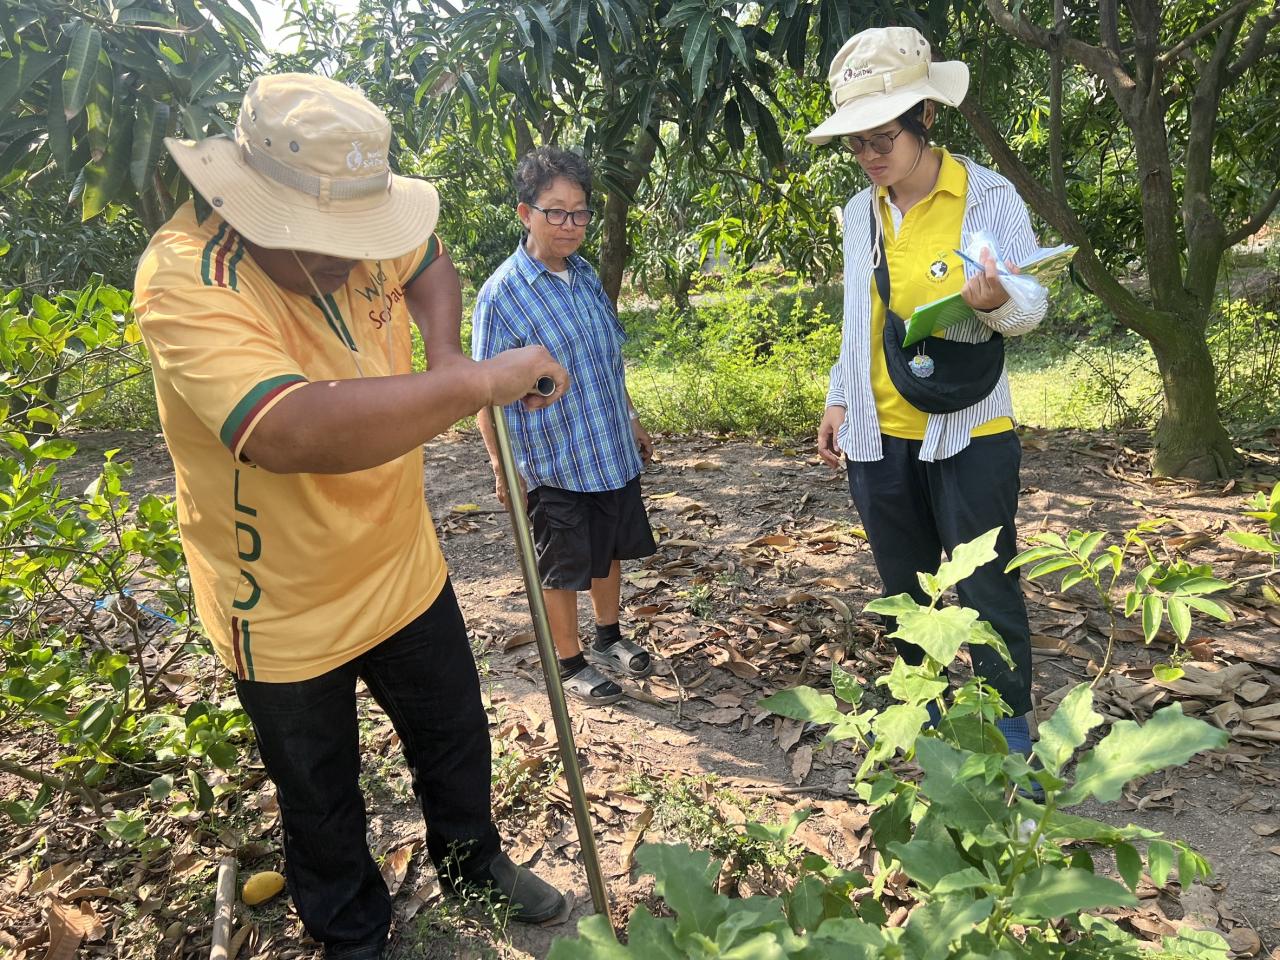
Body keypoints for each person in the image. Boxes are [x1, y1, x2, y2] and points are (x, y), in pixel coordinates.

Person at [133, 74, 570, 958]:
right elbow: (292, 430)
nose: (352, 256)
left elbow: (430, 262)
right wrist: (472, 382)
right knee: (320, 792)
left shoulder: (364, 226)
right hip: (281, 600)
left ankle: (471, 860)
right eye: (325, 242)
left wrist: (445, 352)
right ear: (254, 207)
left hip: (399, 556)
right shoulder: (187, 279)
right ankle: (353, 933)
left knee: (454, 730)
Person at [809, 27, 1045, 754]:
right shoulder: (861, 214)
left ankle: (1010, 740)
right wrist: (839, 397)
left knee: (986, 588)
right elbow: (860, 316)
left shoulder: (987, 197)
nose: (871, 155)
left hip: (970, 430)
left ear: (927, 119)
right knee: (906, 595)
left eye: (884, 137)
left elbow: (1031, 307)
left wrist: (994, 300)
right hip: (879, 434)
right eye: (857, 143)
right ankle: (931, 728)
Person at [471, 146, 657, 706]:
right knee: (562, 566)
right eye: (556, 211)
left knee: (609, 548)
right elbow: (483, 392)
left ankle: (608, 637)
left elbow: (606, 359)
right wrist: (502, 467)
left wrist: (632, 419)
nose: (570, 224)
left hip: (608, 448)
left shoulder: (585, 278)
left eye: (579, 212)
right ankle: (571, 660)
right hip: (552, 460)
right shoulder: (502, 295)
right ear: (526, 213)